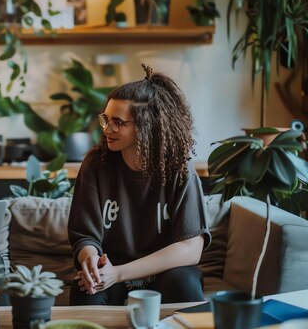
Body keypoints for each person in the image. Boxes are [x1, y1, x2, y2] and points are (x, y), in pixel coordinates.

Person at [67, 64, 211, 305]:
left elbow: (191, 247)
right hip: (110, 271)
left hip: (165, 273)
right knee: (84, 289)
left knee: (183, 282)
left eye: (118, 122)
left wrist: (120, 273)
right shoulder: (96, 164)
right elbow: (84, 235)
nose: (107, 129)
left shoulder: (179, 170)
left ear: (146, 125)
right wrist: (90, 258)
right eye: (106, 119)